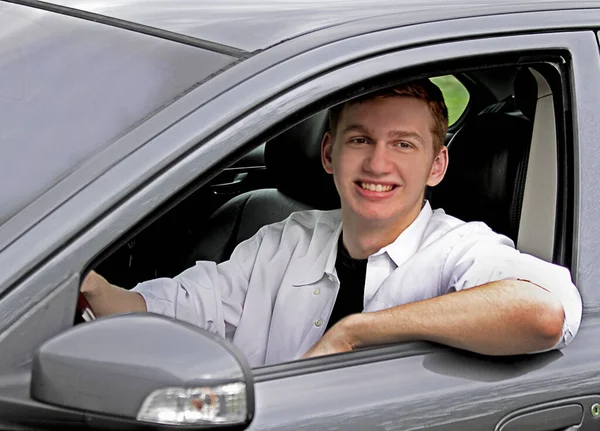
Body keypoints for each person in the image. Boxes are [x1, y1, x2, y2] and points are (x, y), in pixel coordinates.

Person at [81, 79, 582, 367]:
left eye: (403, 144)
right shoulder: (283, 238)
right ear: (329, 153)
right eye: (360, 140)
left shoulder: (457, 247)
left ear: (437, 166)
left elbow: (542, 312)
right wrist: (89, 288)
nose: (378, 164)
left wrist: (356, 332)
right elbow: (184, 306)